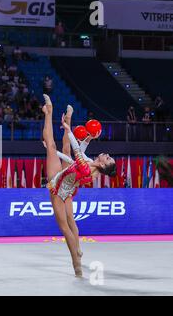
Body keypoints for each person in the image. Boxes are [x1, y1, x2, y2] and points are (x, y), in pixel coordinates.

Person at [41, 94, 116, 277]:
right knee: (52, 147)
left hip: (58, 189)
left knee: (65, 228)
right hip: (64, 181)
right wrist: (87, 138)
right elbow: (74, 155)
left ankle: (77, 263)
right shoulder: (90, 164)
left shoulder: (86, 166)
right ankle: (49, 111)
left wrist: (68, 129)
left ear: (104, 165)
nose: (106, 154)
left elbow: (76, 150)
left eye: (107, 158)